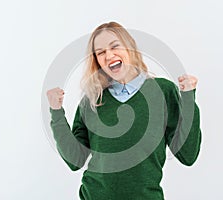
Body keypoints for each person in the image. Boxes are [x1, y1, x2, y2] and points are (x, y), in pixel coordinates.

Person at [46, 21, 202, 200]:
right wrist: (56, 112)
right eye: (101, 52)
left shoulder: (163, 91)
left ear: (130, 48)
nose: (109, 55)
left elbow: (187, 155)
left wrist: (189, 99)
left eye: (115, 46)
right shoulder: (92, 99)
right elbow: (75, 161)